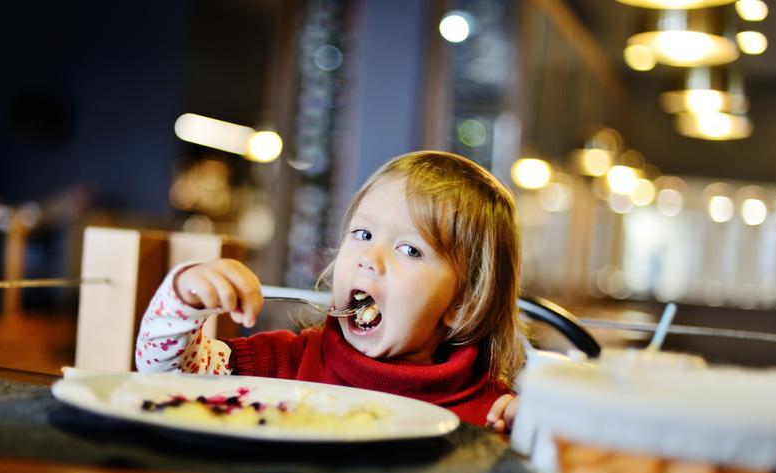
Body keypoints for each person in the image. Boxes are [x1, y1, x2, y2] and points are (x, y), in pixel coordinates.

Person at [136, 151, 523, 431]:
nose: (370, 257)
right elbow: (169, 376)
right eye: (363, 233)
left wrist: (532, 434)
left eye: (409, 249)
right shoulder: (282, 366)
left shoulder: (492, 415)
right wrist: (184, 297)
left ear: (463, 303)